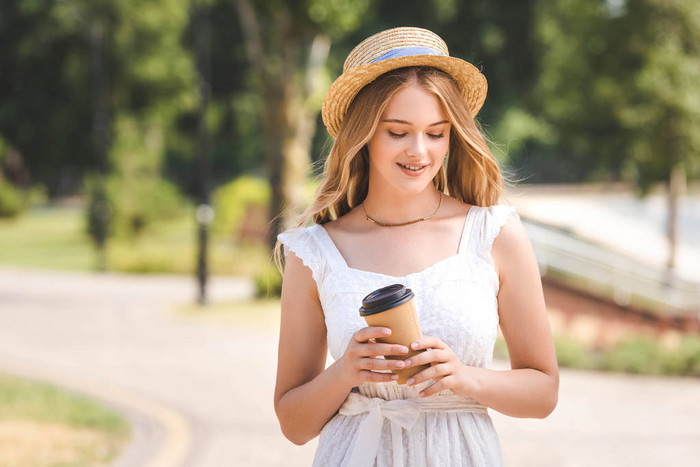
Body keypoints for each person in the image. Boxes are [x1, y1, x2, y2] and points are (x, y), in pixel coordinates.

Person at [273, 27, 559, 466]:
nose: (419, 151)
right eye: (398, 132)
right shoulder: (315, 252)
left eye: (436, 133)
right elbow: (293, 424)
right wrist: (346, 371)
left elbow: (543, 392)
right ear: (364, 134)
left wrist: (464, 378)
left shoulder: (493, 234)